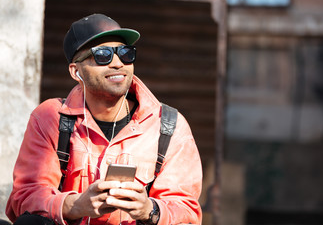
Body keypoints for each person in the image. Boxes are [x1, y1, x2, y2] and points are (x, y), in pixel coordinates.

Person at [6, 14, 203, 225]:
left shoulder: (169, 126)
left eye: (125, 54)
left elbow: (186, 211)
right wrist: (76, 205)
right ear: (76, 71)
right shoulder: (50, 118)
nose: (118, 63)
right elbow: (24, 199)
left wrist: (150, 210)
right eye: (102, 55)